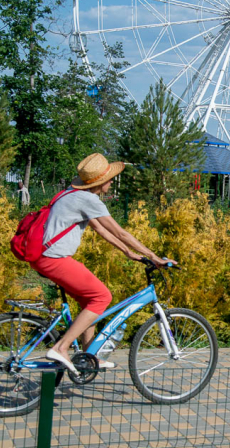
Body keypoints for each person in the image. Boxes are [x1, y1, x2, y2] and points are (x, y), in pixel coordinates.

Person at [31, 153, 171, 373]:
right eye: (109, 178)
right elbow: (121, 232)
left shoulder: (70, 194)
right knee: (102, 296)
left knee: (90, 301)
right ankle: (61, 347)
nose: (112, 181)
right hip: (53, 259)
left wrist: (128, 252)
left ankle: (89, 357)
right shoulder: (87, 199)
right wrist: (155, 258)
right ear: (99, 181)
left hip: (44, 257)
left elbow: (99, 228)